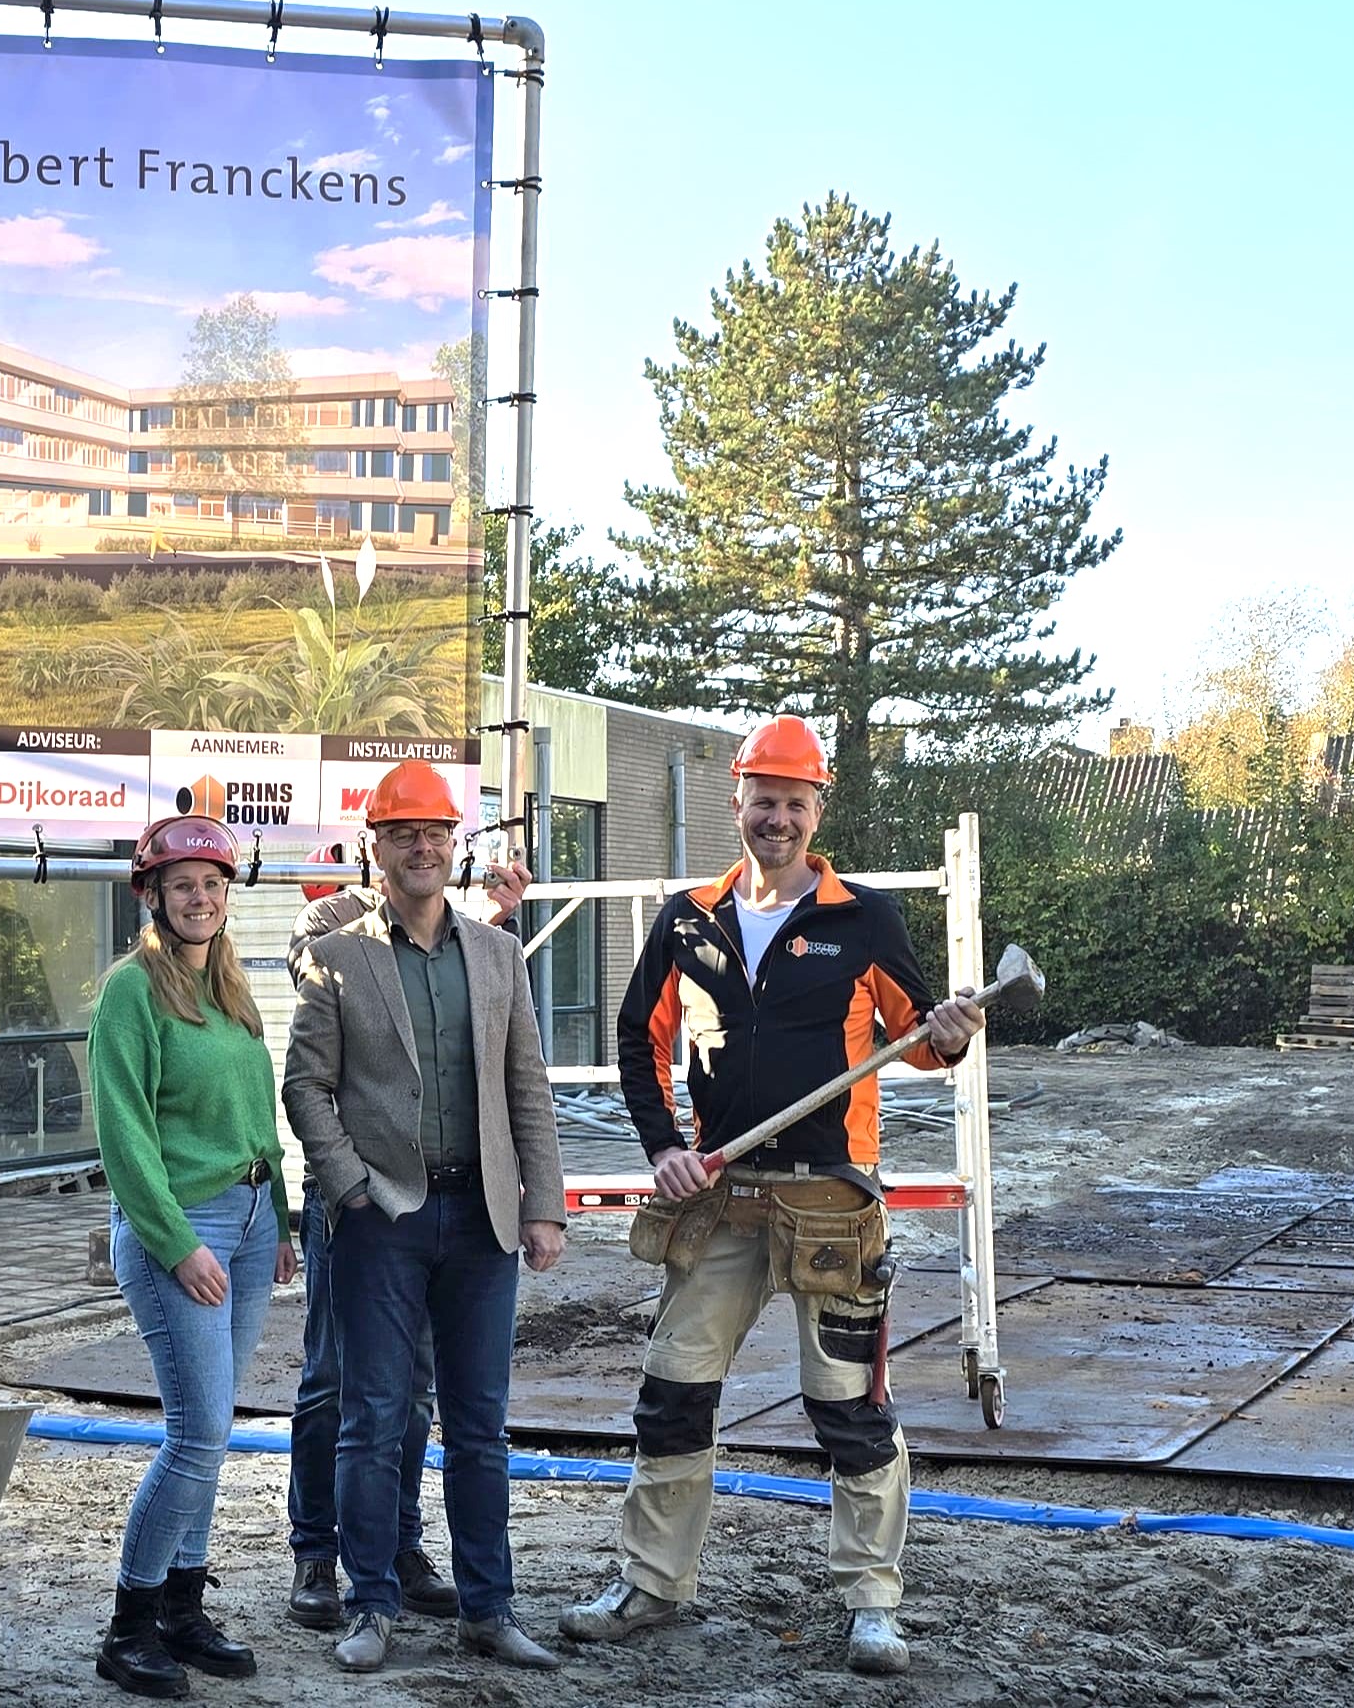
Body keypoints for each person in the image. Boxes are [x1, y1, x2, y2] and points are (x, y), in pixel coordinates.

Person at [559, 717, 983, 1677]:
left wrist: (950, 1031)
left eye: (796, 801)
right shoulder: (688, 918)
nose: (778, 817)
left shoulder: (860, 918)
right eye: (764, 798)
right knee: (672, 1391)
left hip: (831, 1203)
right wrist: (663, 1144)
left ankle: (872, 1600)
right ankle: (654, 1583)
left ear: (817, 808)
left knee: (847, 1406)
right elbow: (638, 1038)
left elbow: (918, 1038)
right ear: (738, 802)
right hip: (721, 1195)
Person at [280, 761, 568, 1673]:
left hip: (481, 1219)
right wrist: (349, 1185)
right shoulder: (338, 953)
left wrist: (545, 1205)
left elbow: (527, 1086)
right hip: (384, 1220)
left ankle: (490, 1607)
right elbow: (305, 1085)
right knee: (371, 1415)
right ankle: (371, 1604)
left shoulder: (495, 954)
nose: (421, 846)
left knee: (480, 1424)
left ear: (456, 844)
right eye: (403, 831)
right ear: (375, 844)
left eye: (436, 831)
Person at [87, 814, 296, 1700]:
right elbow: (124, 1132)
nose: (201, 897)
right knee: (198, 1432)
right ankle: (127, 1626)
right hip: (184, 1226)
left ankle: (182, 1606)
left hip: (248, 1222)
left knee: (215, 1427)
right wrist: (177, 1246)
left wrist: (280, 1221)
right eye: (183, 886)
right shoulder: (131, 992)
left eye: (212, 883)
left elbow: (258, 1119)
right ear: (153, 896)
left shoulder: (232, 990)